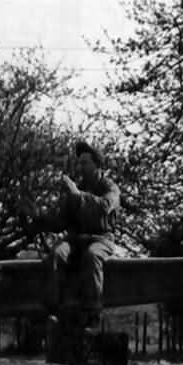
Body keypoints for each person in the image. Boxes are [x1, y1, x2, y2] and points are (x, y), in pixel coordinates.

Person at [38, 140, 121, 328]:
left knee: (92, 257)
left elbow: (105, 207)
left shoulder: (110, 188)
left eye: (85, 163)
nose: (81, 167)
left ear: (97, 165)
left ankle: (93, 314)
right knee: (56, 255)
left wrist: (78, 196)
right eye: (80, 163)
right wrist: (37, 216)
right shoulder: (77, 187)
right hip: (76, 240)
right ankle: (53, 312)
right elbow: (60, 222)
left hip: (101, 239)